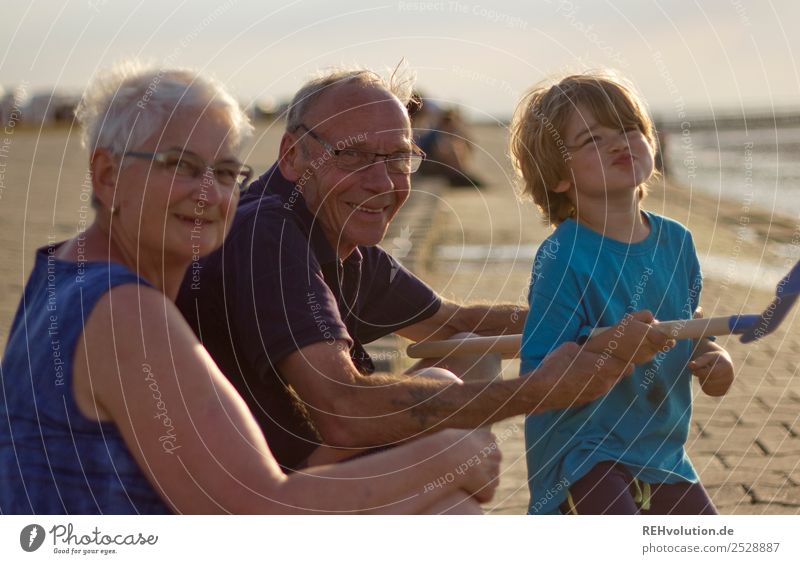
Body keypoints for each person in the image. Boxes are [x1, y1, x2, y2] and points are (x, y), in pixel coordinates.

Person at [0, 62, 504, 514]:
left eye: (224, 173)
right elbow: (264, 510)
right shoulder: (126, 311)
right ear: (107, 175)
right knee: (447, 499)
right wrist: (455, 451)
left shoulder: (67, 276)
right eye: (179, 165)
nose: (210, 194)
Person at [176, 66, 673, 472]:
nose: (381, 181)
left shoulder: (334, 233)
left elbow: (455, 323)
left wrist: (607, 324)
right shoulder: (268, 234)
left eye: (397, 157)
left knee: (465, 360)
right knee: (457, 447)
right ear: (292, 155)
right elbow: (342, 411)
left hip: (298, 461)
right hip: (250, 495)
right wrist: (542, 391)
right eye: (352, 155)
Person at [509, 71, 735, 515]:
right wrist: (613, 345)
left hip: (661, 451)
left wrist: (712, 359)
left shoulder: (677, 242)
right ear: (557, 176)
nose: (619, 143)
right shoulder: (562, 255)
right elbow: (539, 366)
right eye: (593, 139)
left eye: (630, 129)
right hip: (582, 453)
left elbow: (688, 327)